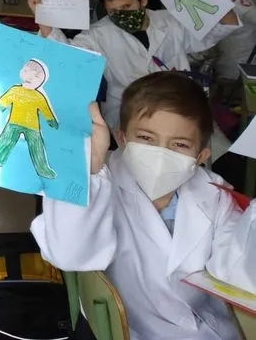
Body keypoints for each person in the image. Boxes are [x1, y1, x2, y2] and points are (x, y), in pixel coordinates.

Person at [30, 72, 256, 340]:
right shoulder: (98, 181)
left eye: (180, 144)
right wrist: (87, 172)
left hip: (212, 328)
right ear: (122, 138)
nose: (161, 155)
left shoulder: (214, 193)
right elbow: (69, 254)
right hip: (137, 332)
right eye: (147, 138)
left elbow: (238, 272)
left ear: (200, 156)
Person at [28, 0, 241, 131]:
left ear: (143, 0)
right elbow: (68, 58)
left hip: (177, 104)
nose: (121, 15)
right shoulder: (98, 34)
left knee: (201, 146)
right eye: (113, 11)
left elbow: (222, 28)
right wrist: (42, 18)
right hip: (128, 111)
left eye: (127, 7)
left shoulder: (170, 21)